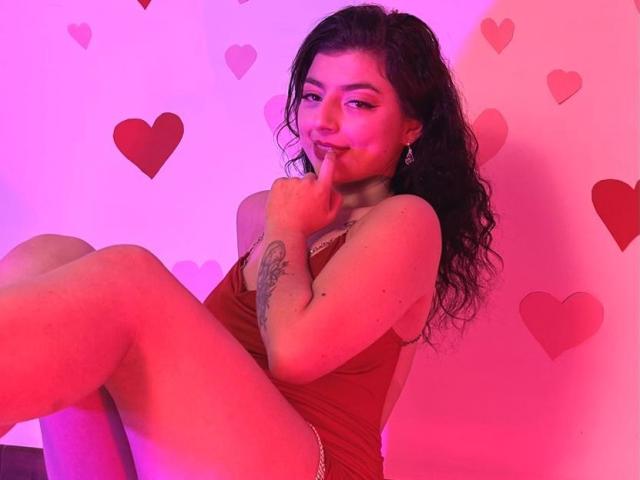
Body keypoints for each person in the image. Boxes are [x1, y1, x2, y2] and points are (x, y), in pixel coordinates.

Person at [0, 3, 502, 479]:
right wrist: (281, 221)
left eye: (357, 103)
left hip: (321, 465)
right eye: (312, 96)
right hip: (215, 458)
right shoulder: (259, 213)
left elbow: (292, 354)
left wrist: (287, 226)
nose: (323, 121)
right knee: (52, 255)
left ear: (412, 126)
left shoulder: (408, 220)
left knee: (131, 280)